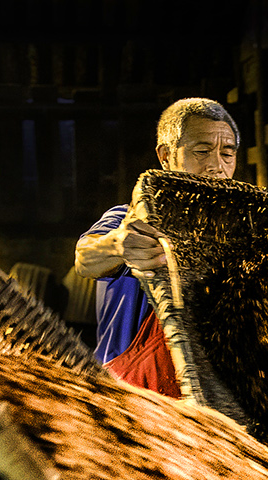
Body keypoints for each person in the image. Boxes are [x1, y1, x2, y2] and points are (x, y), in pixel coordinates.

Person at [72, 97, 238, 394]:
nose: (217, 166)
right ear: (166, 156)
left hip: (208, 402)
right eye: (202, 151)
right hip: (125, 395)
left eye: (227, 153)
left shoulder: (234, 238)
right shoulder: (128, 219)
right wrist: (118, 245)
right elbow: (84, 258)